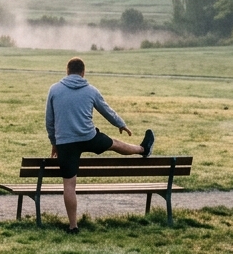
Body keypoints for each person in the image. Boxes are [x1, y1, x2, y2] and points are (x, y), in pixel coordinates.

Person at [45, 57, 155, 234]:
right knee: (116, 144)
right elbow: (106, 110)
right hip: (89, 137)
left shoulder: (54, 90)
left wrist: (54, 143)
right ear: (83, 72)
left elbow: (49, 121)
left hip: (65, 142)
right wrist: (121, 124)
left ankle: (73, 226)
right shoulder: (90, 90)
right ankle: (143, 149)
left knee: (69, 185)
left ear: (67, 71)